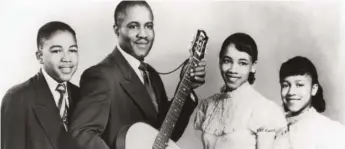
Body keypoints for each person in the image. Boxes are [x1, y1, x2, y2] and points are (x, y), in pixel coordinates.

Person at [69, 1, 206, 149]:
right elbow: (82, 134)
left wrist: (186, 88)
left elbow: (165, 136)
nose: (143, 34)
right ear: (117, 30)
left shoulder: (151, 75)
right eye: (133, 26)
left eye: (148, 26)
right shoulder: (101, 75)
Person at [194, 33, 286, 149]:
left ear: (253, 66)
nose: (233, 69)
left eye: (242, 63)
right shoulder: (208, 106)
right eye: (227, 61)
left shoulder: (263, 109)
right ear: (220, 62)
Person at [1, 21, 80, 149]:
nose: (67, 58)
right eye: (56, 51)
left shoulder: (81, 95)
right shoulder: (17, 98)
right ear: (40, 56)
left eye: (72, 50)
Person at [275, 56, 345, 149]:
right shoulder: (275, 129)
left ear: (314, 89)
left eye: (299, 85)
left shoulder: (331, 131)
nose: (291, 92)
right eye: (285, 85)